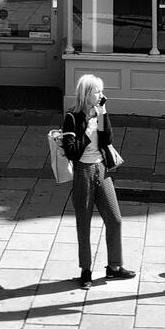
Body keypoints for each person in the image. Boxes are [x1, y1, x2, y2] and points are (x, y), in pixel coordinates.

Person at [62, 74, 135, 290]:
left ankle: (114, 267)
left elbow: (108, 140)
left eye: (102, 91)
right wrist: (87, 131)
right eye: (97, 92)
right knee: (83, 223)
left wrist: (103, 116)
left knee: (115, 219)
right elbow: (72, 152)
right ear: (86, 94)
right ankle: (85, 271)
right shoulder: (72, 117)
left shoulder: (99, 112)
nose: (102, 96)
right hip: (83, 171)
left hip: (101, 169)